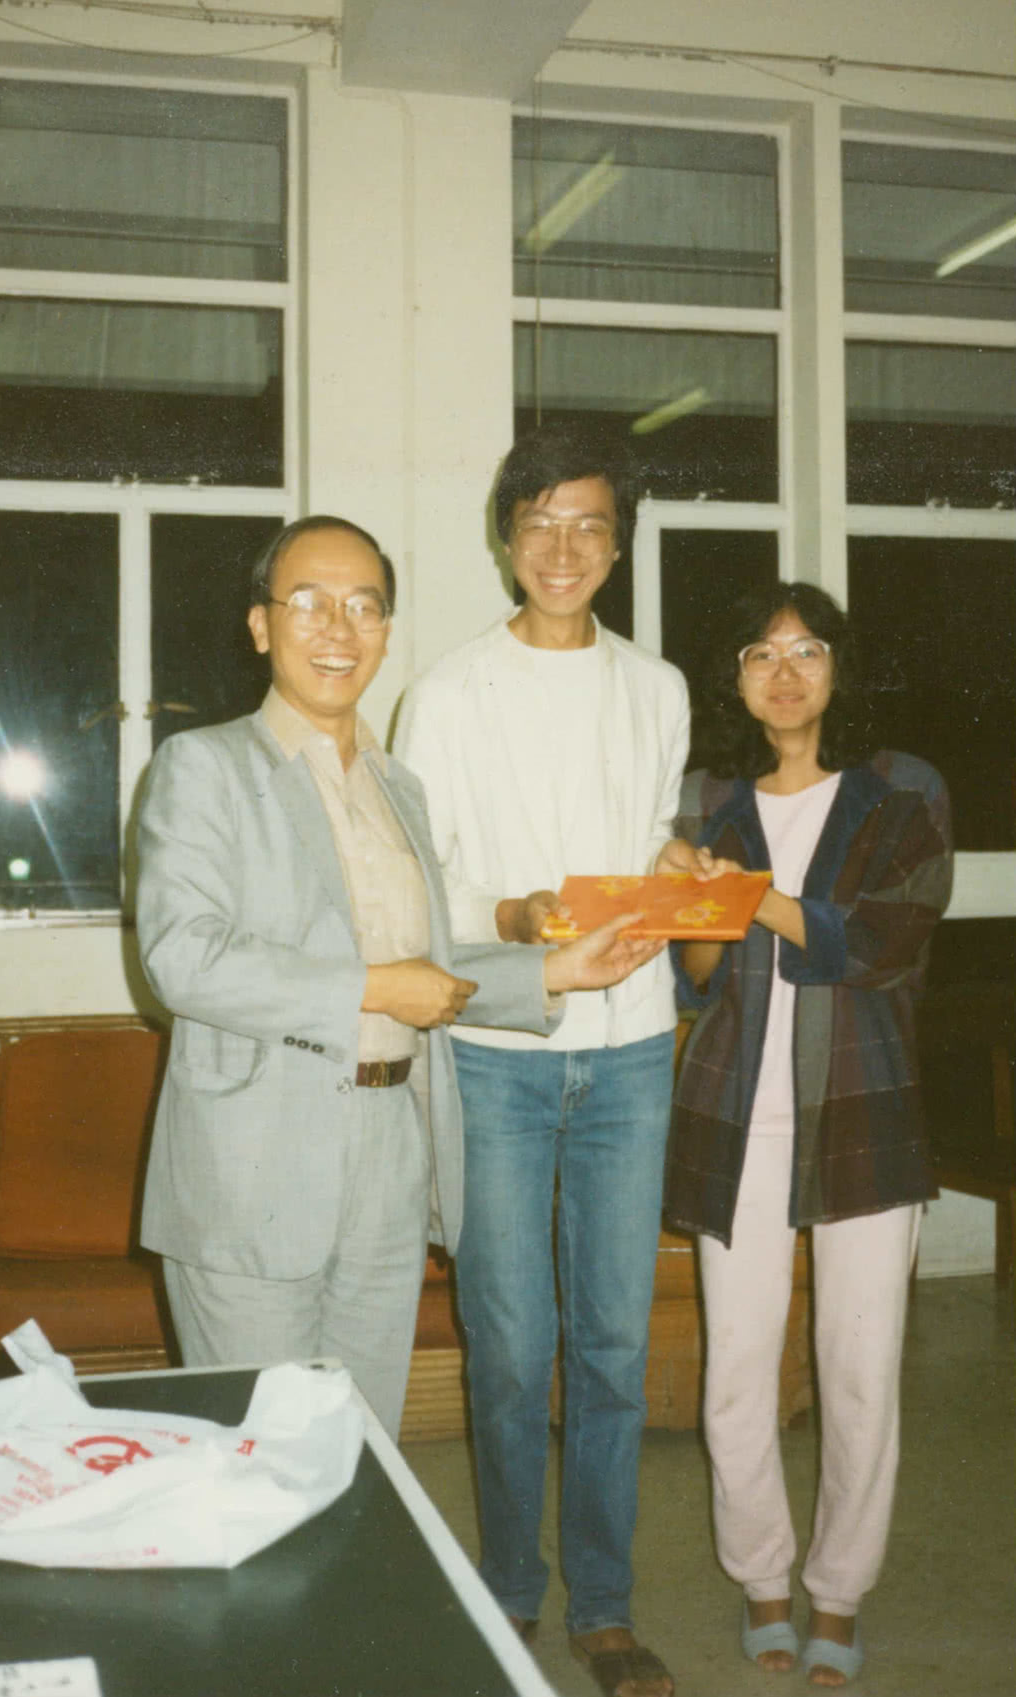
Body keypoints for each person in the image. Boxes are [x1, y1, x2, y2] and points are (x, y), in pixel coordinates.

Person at [135, 514, 656, 1444]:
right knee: (256, 1462)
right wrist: (371, 989)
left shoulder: (397, 787)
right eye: (309, 603)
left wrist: (551, 971)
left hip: (390, 1150)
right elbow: (184, 956)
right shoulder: (203, 766)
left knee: (356, 1453)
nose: (339, 627)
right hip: (254, 1168)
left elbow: (432, 973)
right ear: (261, 625)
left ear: (385, 630)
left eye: (365, 607)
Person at [395, 423, 710, 1697]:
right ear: (504, 536)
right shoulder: (449, 691)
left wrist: (682, 873)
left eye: (588, 523)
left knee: (616, 1347)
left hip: (632, 1055)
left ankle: (608, 1607)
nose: (563, 547)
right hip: (499, 1053)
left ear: (619, 541)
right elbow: (430, 885)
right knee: (513, 1340)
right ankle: (510, 1594)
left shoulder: (660, 685)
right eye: (540, 522)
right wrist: (517, 917)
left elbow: (649, 846)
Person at [665, 583, 952, 1687]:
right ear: (734, 676)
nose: (784, 672)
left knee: (861, 1366)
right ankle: (764, 1578)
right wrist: (686, 895)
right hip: (734, 1109)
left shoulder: (901, 788)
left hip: (864, 1105)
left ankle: (838, 1592)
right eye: (759, 652)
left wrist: (751, 892)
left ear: (841, 667)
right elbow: (695, 974)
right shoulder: (710, 793)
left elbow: (884, 936)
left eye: (808, 650)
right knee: (735, 1369)